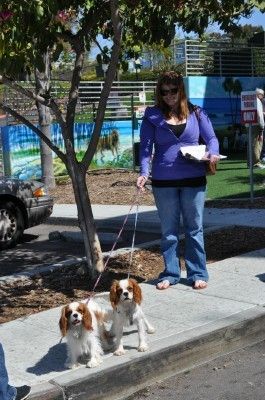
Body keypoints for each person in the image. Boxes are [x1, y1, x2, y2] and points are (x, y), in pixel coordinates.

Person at [136, 71, 220, 290]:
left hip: (194, 178)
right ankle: (171, 272)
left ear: (181, 90)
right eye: (164, 92)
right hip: (164, 180)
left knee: (194, 228)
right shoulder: (152, 115)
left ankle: (197, 273)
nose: (169, 96)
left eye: (173, 91)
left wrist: (212, 152)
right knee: (169, 230)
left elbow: (211, 138)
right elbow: (145, 148)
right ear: (159, 93)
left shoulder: (196, 113)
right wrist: (144, 172)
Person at [251, 88, 265, 169]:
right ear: (258, 94)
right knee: (257, 145)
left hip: (250, 125)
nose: (262, 97)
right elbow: (259, 115)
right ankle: (256, 163)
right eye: (262, 95)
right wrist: (262, 126)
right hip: (257, 125)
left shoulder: (251, 100)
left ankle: (251, 163)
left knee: (252, 144)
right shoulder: (258, 101)